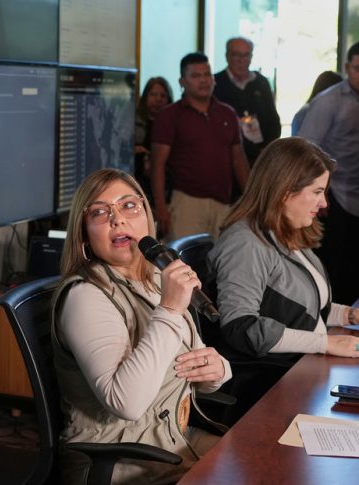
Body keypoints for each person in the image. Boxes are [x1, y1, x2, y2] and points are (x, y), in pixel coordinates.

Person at [52, 168, 231, 484]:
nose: (117, 219)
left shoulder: (157, 278)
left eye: (129, 205)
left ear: (148, 217)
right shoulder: (85, 297)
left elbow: (195, 364)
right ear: (83, 233)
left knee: (262, 459)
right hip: (124, 461)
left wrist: (217, 371)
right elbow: (127, 403)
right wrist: (171, 309)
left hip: (172, 437)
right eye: (100, 212)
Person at [208, 137, 359, 419]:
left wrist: (349, 315)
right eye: (317, 192)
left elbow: (299, 310)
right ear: (286, 191)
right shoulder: (246, 244)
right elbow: (241, 326)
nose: (324, 203)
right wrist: (324, 343)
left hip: (300, 372)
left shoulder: (283, 233)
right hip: (266, 388)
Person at [151, 52, 249, 241]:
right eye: (196, 76)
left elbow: (239, 160)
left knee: (222, 257)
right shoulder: (169, 116)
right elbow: (158, 164)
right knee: (186, 258)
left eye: (207, 74)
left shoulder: (227, 113)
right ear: (182, 82)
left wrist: (251, 200)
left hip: (224, 204)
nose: (203, 80)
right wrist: (160, 206)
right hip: (187, 203)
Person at [297, 41, 359, 304]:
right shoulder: (329, 101)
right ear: (347, 68)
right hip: (333, 196)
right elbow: (304, 149)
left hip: (355, 193)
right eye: (357, 68)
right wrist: (316, 194)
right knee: (334, 268)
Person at [213, 37, 281, 165]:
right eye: (236, 55)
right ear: (227, 56)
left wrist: (267, 149)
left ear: (251, 57)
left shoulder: (261, 82)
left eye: (246, 55)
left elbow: (273, 118)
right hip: (229, 157)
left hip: (262, 156)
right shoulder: (216, 84)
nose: (241, 60)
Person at [134, 77, 173, 203]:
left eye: (163, 96)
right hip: (136, 181)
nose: (158, 99)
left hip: (166, 184)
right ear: (145, 97)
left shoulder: (173, 124)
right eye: (153, 94)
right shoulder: (131, 121)